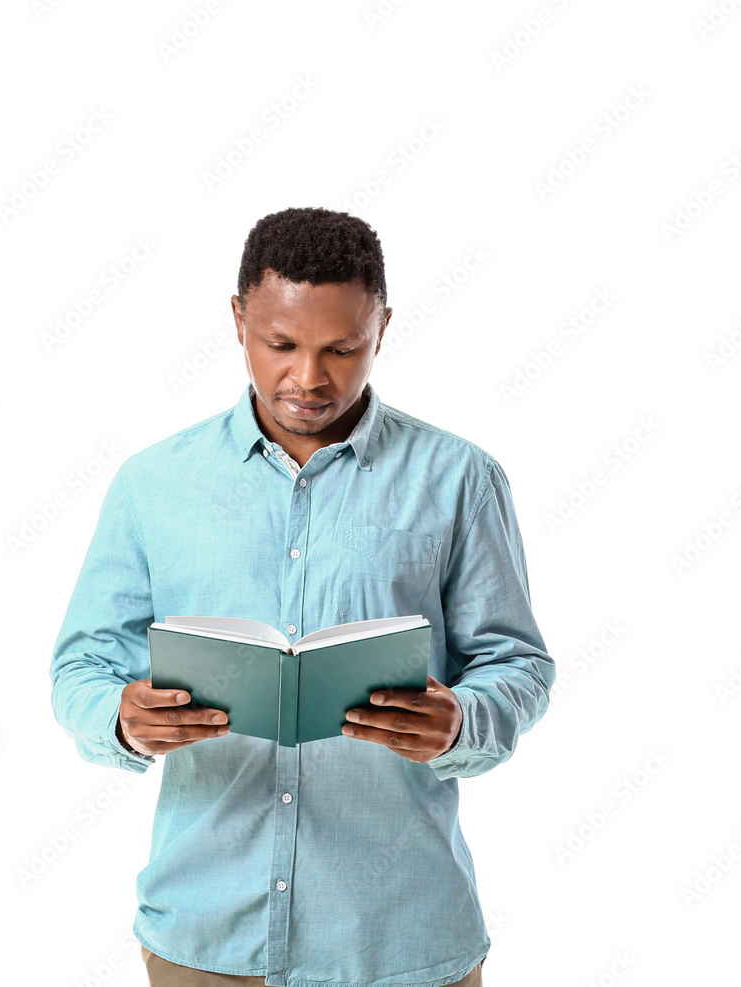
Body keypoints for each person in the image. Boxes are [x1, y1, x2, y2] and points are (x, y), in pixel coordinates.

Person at [50, 206, 555, 987]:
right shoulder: (154, 484)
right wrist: (120, 714)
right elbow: (81, 663)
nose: (309, 378)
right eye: (280, 344)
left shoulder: (460, 480)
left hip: (402, 941)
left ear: (381, 327)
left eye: (341, 347)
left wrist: (462, 719)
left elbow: (517, 662)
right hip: (205, 936)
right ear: (238, 319)